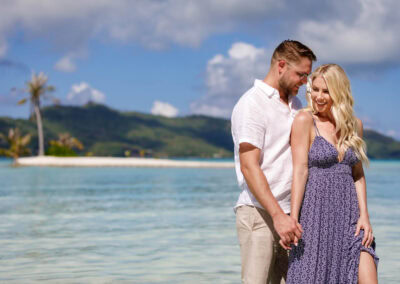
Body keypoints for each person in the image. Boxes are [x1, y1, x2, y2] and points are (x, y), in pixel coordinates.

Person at [231, 40, 316, 283]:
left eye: (307, 75)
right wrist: (278, 215)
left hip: (291, 217)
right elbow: (249, 166)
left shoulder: (296, 105)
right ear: (281, 65)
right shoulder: (251, 104)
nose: (305, 82)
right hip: (259, 212)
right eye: (301, 74)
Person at [286, 64, 379, 283]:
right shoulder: (305, 120)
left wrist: (365, 215)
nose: (318, 96)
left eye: (325, 91)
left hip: (351, 217)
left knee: (367, 271)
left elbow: (357, 174)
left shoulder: (354, 126)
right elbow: (300, 171)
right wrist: (293, 218)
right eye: (315, 89)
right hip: (315, 216)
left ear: (339, 92)